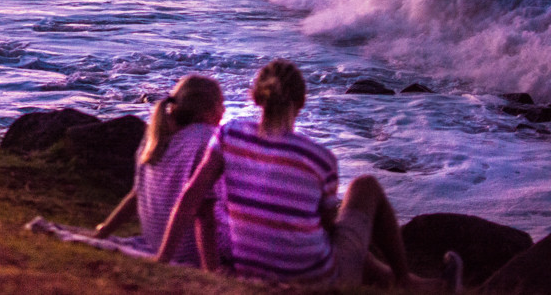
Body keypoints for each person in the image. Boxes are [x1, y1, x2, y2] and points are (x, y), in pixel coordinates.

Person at [156, 59, 462, 290]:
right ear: (301, 102)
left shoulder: (228, 136)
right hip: (316, 282)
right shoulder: (319, 158)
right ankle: (408, 282)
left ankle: (411, 283)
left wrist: (161, 264)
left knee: (339, 239)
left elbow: (189, 199)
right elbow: (329, 228)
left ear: (255, 97)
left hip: (253, 273)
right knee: (364, 187)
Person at [94, 75, 229, 269]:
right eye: (221, 104)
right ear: (208, 110)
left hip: (159, 244)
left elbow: (135, 197)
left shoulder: (154, 140)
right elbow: (204, 214)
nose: (224, 110)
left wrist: (103, 232)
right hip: (196, 252)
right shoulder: (207, 139)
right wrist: (212, 271)